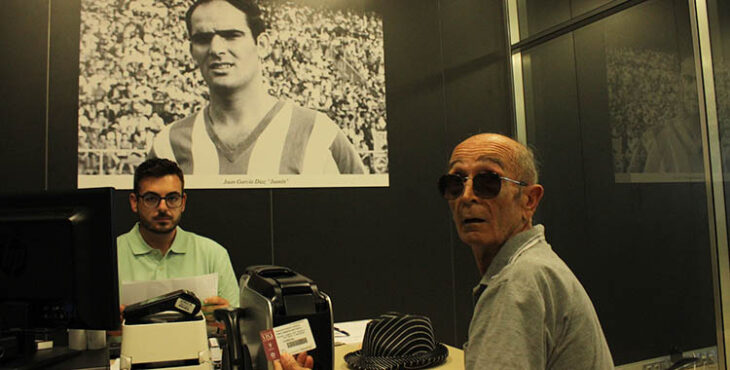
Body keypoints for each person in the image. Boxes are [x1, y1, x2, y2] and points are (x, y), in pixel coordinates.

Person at [438, 133, 614, 369]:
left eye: (488, 182)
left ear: (529, 200)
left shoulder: (518, 281)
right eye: (455, 183)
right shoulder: (536, 264)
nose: (467, 196)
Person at [149, 0, 366, 175]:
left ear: (262, 45)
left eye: (231, 35)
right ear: (192, 51)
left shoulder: (318, 134)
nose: (216, 49)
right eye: (203, 39)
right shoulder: (168, 145)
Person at [117, 158, 240, 324]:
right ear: (134, 202)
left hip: (199, 350)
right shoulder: (108, 256)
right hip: (126, 349)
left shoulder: (214, 254)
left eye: (172, 198)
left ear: (182, 202)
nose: (162, 207)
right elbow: (87, 334)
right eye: (151, 198)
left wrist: (228, 321)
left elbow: (240, 330)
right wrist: (104, 329)